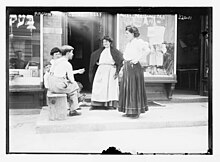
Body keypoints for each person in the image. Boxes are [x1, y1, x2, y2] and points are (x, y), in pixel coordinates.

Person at [118, 25, 151, 118]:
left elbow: (148, 50)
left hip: (134, 67)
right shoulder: (129, 43)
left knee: (133, 88)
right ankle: (129, 110)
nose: (125, 35)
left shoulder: (138, 42)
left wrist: (137, 59)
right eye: (125, 33)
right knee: (127, 88)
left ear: (133, 33)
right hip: (128, 67)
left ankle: (136, 111)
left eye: (127, 33)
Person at [89, 36, 124, 110]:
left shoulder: (115, 51)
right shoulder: (100, 51)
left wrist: (117, 71)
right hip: (101, 70)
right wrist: (97, 62)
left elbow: (120, 60)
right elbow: (94, 56)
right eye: (104, 42)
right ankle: (97, 104)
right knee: (99, 86)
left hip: (111, 70)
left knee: (110, 87)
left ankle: (109, 104)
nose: (105, 43)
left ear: (110, 42)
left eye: (107, 42)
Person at [47, 45, 81, 116]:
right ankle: (73, 109)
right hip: (57, 86)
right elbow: (71, 79)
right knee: (74, 86)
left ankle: (70, 106)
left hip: (51, 85)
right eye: (72, 53)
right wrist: (76, 86)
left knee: (69, 86)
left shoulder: (56, 62)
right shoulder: (67, 64)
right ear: (67, 53)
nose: (73, 54)